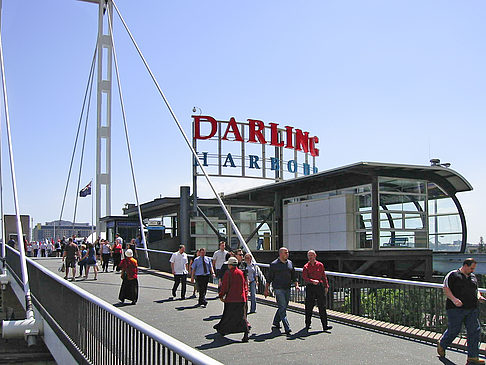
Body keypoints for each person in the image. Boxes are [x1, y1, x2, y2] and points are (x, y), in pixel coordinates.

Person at [437, 258, 486, 364]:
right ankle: (442, 344)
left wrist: (479, 296)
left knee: (474, 331)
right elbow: (446, 288)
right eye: (471, 268)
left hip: (472, 309)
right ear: (465, 266)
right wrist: (454, 300)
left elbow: (475, 290)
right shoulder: (453, 275)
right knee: (454, 330)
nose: (473, 270)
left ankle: (473, 357)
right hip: (455, 309)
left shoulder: (473, 277)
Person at [213, 257, 250, 342]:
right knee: (241, 316)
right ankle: (246, 332)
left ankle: (222, 329)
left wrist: (221, 295)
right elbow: (244, 285)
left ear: (230, 265)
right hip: (241, 298)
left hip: (231, 299)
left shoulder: (228, 273)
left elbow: (225, 286)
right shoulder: (241, 272)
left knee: (227, 315)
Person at [264, 247, 299, 335]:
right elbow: (269, 278)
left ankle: (276, 322)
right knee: (282, 307)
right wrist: (266, 289)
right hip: (278, 288)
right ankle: (287, 327)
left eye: (287, 252)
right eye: (285, 253)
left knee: (283, 306)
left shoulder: (290, 263)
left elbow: (294, 275)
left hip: (287, 287)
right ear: (280, 254)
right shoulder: (274, 264)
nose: (287, 254)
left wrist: (296, 285)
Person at [302, 250, 332, 331]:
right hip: (310, 287)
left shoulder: (320, 265)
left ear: (315, 256)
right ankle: (307, 324)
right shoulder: (306, 266)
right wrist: (312, 281)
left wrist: (326, 286)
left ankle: (325, 326)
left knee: (322, 306)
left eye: (312, 255)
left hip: (319, 287)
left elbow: (323, 276)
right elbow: (305, 278)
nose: (310, 257)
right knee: (309, 306)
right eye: (309, 255)